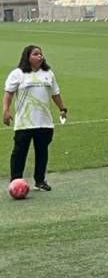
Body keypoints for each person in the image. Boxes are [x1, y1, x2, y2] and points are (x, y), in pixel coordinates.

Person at [3, 45, 67, 191]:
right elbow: (8, 94)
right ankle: (16, 181)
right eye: (36, 54)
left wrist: (62, 108)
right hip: (24, 122)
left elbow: (55, 93)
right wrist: (5, 111)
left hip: (44, 122)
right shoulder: (18, 74)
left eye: (41, 54)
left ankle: (40, 181)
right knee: (19, 152)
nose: (40, 56)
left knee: (42, 151)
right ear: (27, 57)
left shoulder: (48, 73)